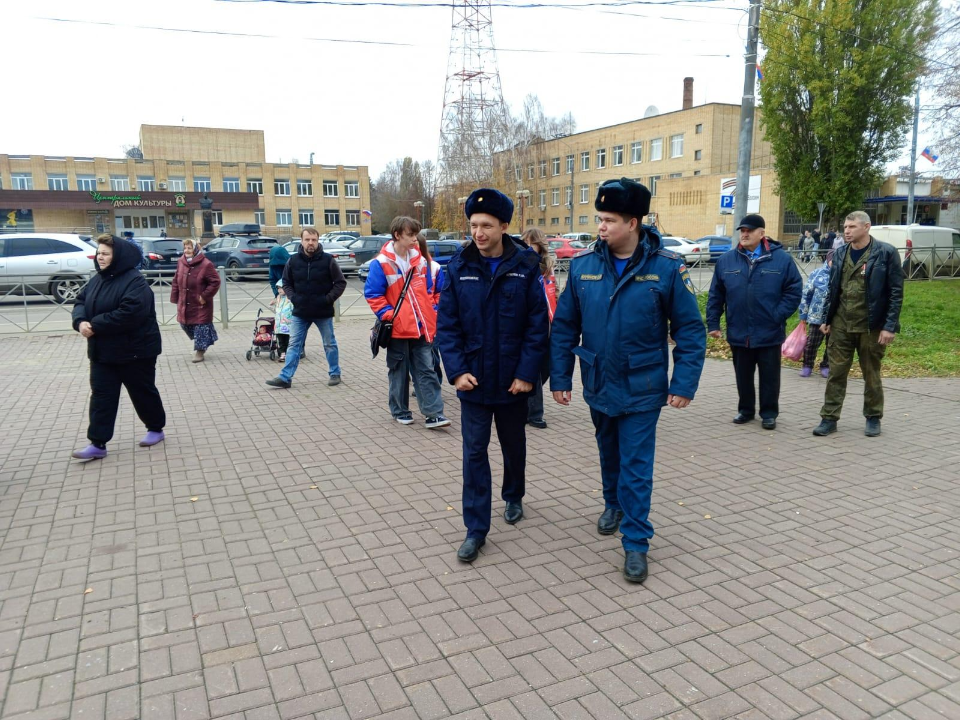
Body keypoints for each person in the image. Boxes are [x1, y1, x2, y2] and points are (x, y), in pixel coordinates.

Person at [551, 178, 706, 584]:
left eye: (609, 220)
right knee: (608, 452)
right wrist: (559, 376)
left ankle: (636, 542)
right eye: (599, 219)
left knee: (636, 464)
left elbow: (690, 329)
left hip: (643, 385)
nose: (600, 227)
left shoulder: (666, 268)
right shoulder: (584, 266)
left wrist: (683, 383)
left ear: (633, 222)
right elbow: (565, 326)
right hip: (598, 380)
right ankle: (612, 505)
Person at [436, 188, 549, 564]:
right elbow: (447, 327)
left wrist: (526, 375)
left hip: (513, 382)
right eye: (473, 225)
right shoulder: (458, 268)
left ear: (503, 226)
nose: (478, 233)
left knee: (513, 446)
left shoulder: (526, 267)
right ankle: (475, 529)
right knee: (473, 453)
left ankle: (513, 495)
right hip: (474, 382)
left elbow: (537, 328)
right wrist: (456, 372)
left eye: (486, 225)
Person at [71, 235, 166, 460]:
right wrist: (80, 321)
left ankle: (155, 428)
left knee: (142, 392)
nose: (100, 257)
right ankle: (97, 443)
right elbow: (80, 302)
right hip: (103, 352)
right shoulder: (98, 279)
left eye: (105, 254)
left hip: (135, 351)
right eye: (99, 253)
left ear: (118, 257)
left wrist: (96, 325)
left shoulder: (135, 281)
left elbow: (131, 312)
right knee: (102, 397)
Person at [706, 214, 802, 430]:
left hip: (769, 330)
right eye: (742, 231)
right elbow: (716, 294)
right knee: (743, 375)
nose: (745, 234)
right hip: (739, 330)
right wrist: (713, 323)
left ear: (762, 233)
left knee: (770, 377)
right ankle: (746, 410)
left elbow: (794, 291)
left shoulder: (781, 260)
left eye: (749, 230)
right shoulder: (727, 260)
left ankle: (769, 413)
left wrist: (777, 315)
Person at [813, 211, 903, 437]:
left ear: (866, 227)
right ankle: (829, 418)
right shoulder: (840, 252)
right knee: (836, 373)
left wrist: (889, 326)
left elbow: (895, 293)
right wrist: (826, 318)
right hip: (841, 323)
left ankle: (873, 417)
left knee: (871, 373)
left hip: (871, 326)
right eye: (845, 226)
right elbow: (833, 289)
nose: (846, 230)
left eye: (852, 226)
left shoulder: (886, 253)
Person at [364, 216, 450, 429]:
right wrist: (390, 316)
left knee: (427, 370)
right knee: (399, 372)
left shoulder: (420, 261)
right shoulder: (381, 263)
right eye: (411, 234)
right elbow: (373, 295)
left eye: (415, 234)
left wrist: (432, 314)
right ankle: (400, 410)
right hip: (398, 330)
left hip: (422, 328)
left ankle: (434, 413)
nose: (415, 239)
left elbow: (429, 291)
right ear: (397, 235)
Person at [265, 227, 346, 388]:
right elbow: (286, 282)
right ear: (301, 241)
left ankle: (335, 373)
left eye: (314, 240)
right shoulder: (293, 261)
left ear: (318, 241)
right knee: (294, 344)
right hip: (300, 312)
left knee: (329, 343)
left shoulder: (328, 260)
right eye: (307, 239)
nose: (311, 243)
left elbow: (340, 283)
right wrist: (294, 297)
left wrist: (328, 299)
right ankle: (285, 378)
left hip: (323, 311)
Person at [521, 227, 557, 429]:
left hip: (549, 322)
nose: (527, 246)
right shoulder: (519, 265)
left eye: (531, 242)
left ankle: (526, 400)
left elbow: (554, 292)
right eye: (524, 242)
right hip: (529, 324)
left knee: (547, 367)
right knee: (533, 368)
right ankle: (535, 414)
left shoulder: (547, 267)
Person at [170, 238, 221, 363]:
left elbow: (215, 282)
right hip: (185, 301)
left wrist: (204, 296)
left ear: (195, 249)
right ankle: (206, 338)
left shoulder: (206, 264)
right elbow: (176, 280)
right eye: (185, 248)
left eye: (189, 248)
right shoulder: (181, 262)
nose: (186, 250)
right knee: (184, 324)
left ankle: (200, 351)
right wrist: (175, 296)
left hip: (200, 303)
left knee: (201, 326)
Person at [798, 254, 832, 378]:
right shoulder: (817, 274)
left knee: (832, 344)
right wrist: (803, 314)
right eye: (833, 260)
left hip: (835, 318)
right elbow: (806, 294)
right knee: (812, 342)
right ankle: (807, 365)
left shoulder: (843, 275)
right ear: (828, 260)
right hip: (816, 316)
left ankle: (826, 365)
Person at [272, 279, 293, 361]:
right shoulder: (278, 299)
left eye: (281, 288)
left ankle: (288, 354)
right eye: (278, 288)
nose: (279, 290)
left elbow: (293, 310)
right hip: (278, 325)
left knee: (287, 340)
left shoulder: (290, 299)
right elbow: (276, 311)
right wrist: (272, 305)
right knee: (280, 341)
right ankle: (282, 354)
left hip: (287, 325)